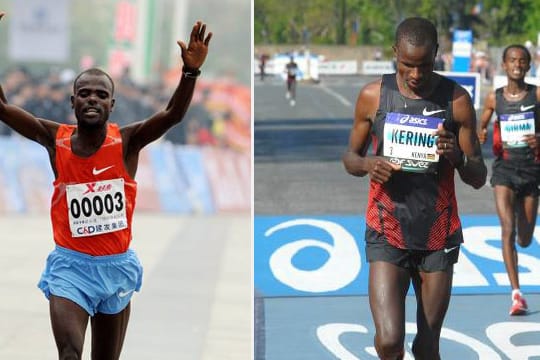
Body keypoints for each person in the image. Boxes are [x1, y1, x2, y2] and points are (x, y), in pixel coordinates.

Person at [0, 12, 211, 359]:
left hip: (116, 269)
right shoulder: (57, 141)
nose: (92, 99)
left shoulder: (128, 142)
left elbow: (173, 114)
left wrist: (190, 72)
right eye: (84, 94)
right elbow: (2, 107)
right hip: (70, 269)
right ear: (73, 103)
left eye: (101, 94)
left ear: (112, 104)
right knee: (70, 353)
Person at [342, 17, 486, 359]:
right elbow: (350, 157)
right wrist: (367, 165)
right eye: (407, 65)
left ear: (437, 53)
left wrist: (458, 157)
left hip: (437, 233)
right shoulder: (373, 96)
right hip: (386, 227)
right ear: (395, 53)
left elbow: (479, 176)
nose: (416, 74)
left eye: (424, 65)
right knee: (389, 341)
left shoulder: (457, 100)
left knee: (426, 346)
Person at [478, 44, 540, 316]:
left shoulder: (537, 95)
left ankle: (521, 212)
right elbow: (480, 126)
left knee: (525, 239)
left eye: (522, 60)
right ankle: (516, 294)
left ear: (528, 65)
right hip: (504, 171)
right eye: (513, 60)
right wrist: (480, 134)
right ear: (504, 64)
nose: (517, 64)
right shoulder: (495, 98)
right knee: (507, 229)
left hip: (531, 172)